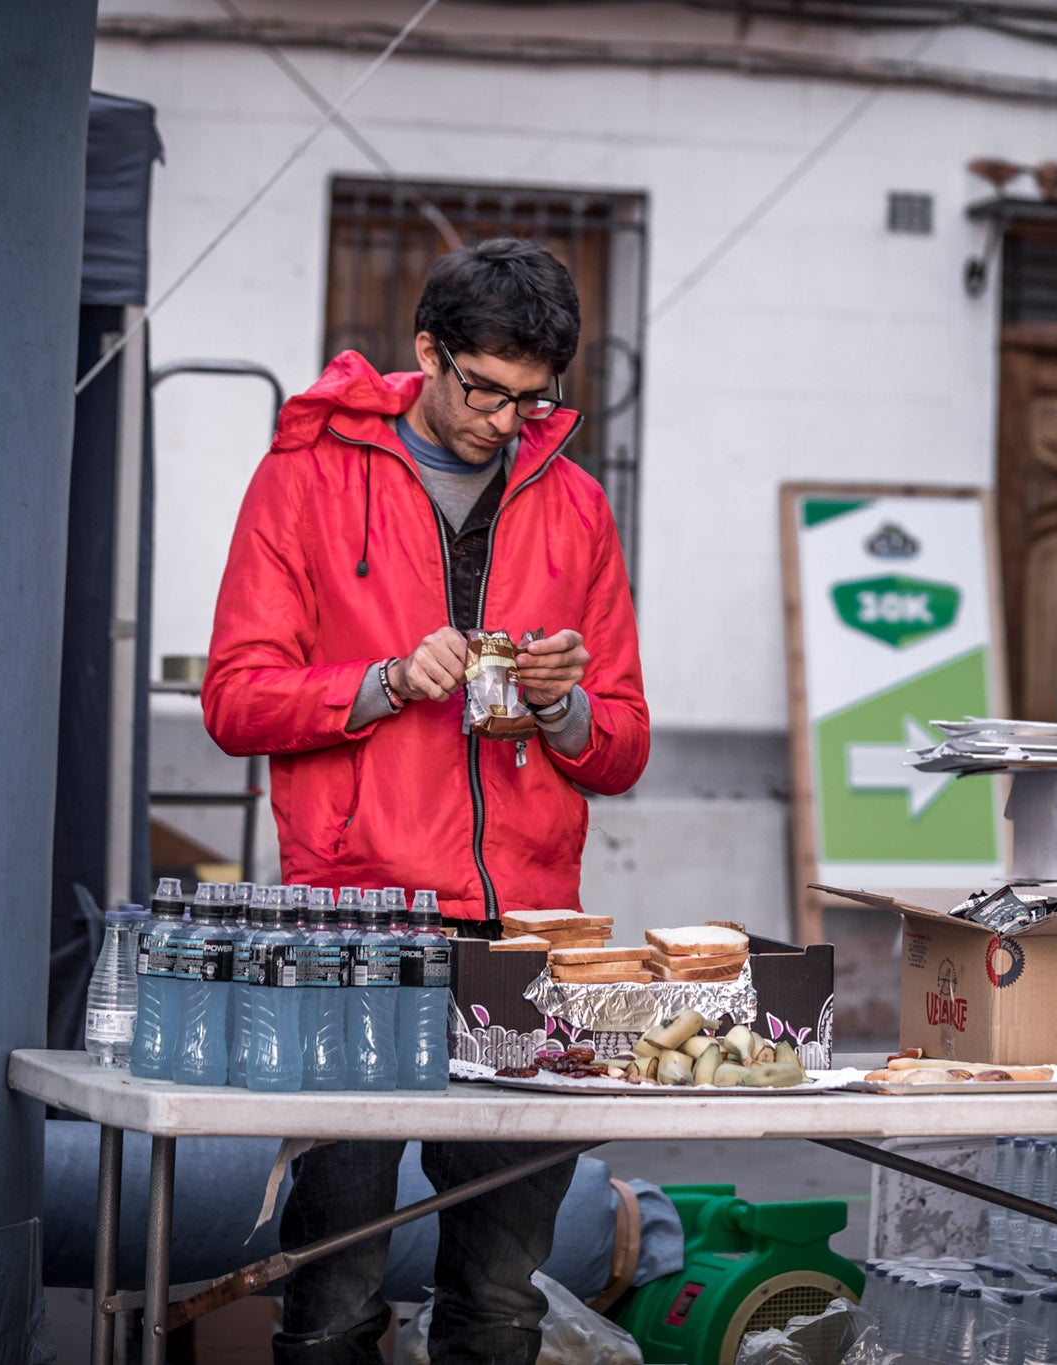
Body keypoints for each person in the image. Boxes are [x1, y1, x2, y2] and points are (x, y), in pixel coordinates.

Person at [203, 237, 649, 1364]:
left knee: (501, 1297)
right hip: (359, 921)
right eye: (483, 390)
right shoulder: (303, 478)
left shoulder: (580, 507)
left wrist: (562, 708)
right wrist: (382, 683)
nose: (506, 421)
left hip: (530, 933)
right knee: (336, 1292)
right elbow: (233, 698)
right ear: (426, 352)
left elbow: (624, 744)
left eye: (531, 398)